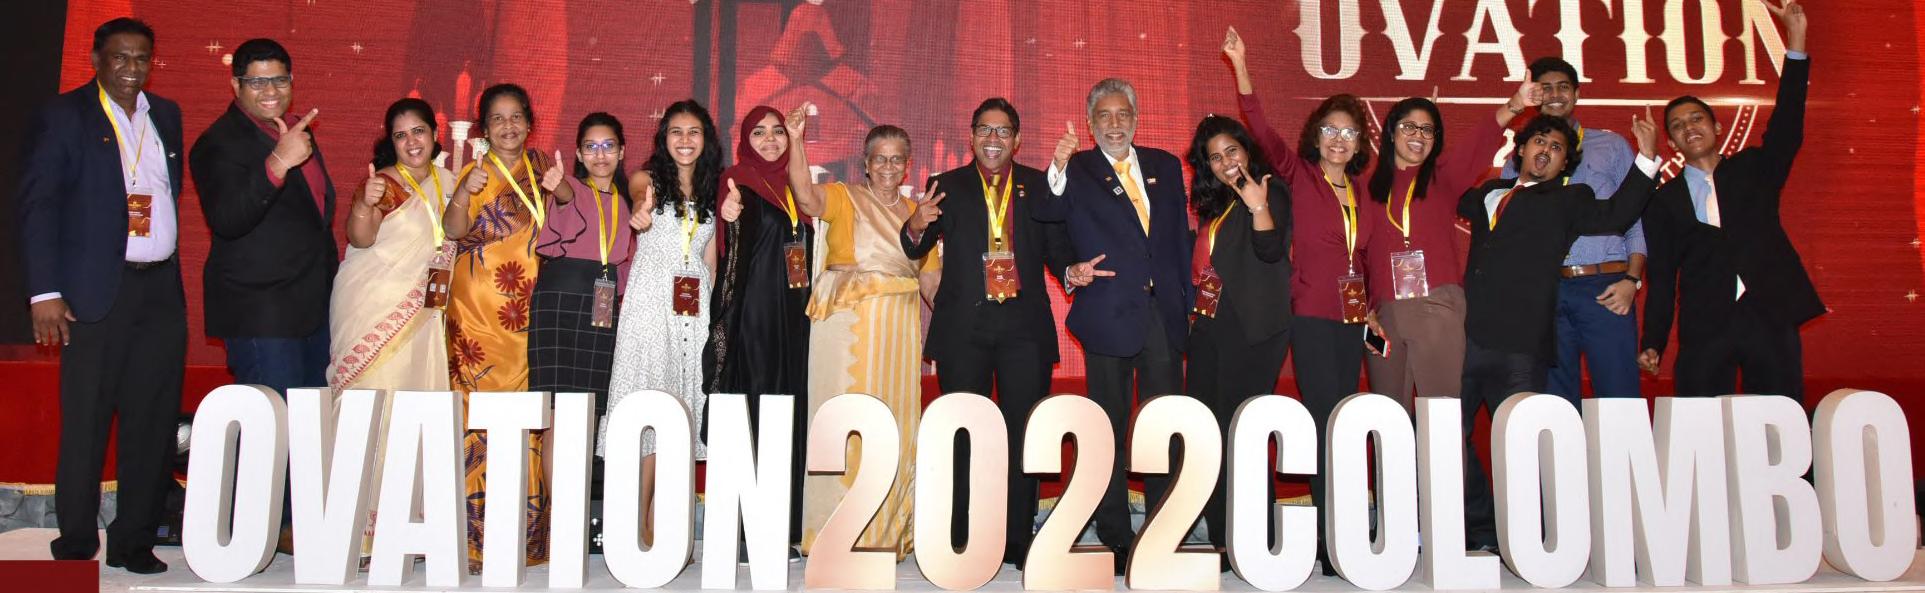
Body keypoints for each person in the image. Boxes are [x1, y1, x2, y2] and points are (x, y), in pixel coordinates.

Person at [21, 17, 184, 574]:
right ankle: (74, 545)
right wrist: (44, 292)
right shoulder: (65, 115)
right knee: (87, 421)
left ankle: (134, 541)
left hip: (160, 290)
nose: (131, 68)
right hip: (93, 292)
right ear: (96, 60)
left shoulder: (166, 115)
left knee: (153, 422)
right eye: (120, 57)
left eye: (141, 58)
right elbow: (39, 204)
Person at [1457, 112, 1662, 554]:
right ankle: (1481, 529)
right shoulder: (1487, 193)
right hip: (1466, 338)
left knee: (1522, 444)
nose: (1545, 151)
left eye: (1556, 148)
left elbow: (1619, 213)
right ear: (1521, 149)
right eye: (1539, 141)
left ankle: (1530, 538)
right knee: (1447, 435)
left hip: (1522, 345)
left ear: (1565, 163)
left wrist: (1646, 159)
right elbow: (1441, 189)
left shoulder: (1570, 200)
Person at [1224, 27, 1374, 575]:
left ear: (1359, 142)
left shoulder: (1365, 190)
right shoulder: (1300, 174)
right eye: (1331, 129)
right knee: (1324, 418)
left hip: (1354, 320)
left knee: (1347, 421)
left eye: (1349, 132)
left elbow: (1368, 254)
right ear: (1317, 135)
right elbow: (1260, 128)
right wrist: (1242, 66)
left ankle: (1349, 530)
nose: (1339, 139)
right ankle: (1329, 535)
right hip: (1311, 317)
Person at [901, 97, 1075, 569]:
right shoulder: (946, 185)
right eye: (984, 129)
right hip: (964, 329)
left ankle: (1017, 538)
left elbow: (1057, 249)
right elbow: (916, 244)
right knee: (964, 432)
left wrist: (1071, 270)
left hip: (1024, 330)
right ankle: (960, 534)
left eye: (1002, 131)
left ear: (1017, 140)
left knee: (1023, 434)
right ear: (971, 136)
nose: (992, 139)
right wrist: (914, 224)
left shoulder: (1039, 185)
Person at [1038, 78, 1194, 573]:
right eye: (1103, 116)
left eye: (1122, 114)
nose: (1114, 124)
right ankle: (1114, 532)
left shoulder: (1165, 166)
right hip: (1107, 312)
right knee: (1108, 426)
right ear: (1090, 124)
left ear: (1136, 118)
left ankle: (1164, 528)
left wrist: (1187, 302)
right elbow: (1048, 217)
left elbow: (1178, 240)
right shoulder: (1076, 168)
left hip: (1162, 315)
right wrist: (1070, 269)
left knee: (1162, 426)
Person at [1640, 0, 1816, 400]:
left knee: (1779, 422)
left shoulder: (1754, 169)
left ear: (1717, 127)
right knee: (1701, 425)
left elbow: (1788, 123)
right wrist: (1653, 342)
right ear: (1672, 143)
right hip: (1705, 327)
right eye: (1677, 126)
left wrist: (1796, 40)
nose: (1689, 127)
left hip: (1769, 315)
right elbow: (1662, 279)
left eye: (1696, 118)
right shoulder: (1663, 202)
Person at [788, 108, 940, 560]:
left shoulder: (919, 214)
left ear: (907, 165)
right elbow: (806, 197)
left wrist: (956, 331)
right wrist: (796, 140)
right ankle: (834, 531)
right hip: (847, 328)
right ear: (866, 164)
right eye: (880, 159)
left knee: (892, 422)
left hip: (897, 331)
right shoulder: (844, 197)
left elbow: (931, 281)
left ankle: (883, 532)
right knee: (844, 418)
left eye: (897, 159)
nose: (888, 167)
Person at [441, 83, 572, 570]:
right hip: (476, 315)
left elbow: (574, 218)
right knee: (476, 420)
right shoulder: (474, 171)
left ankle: (524, 540)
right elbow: (453, 230)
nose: (508, 126)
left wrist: (562, 188)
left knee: (527, 420)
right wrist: (463, 192)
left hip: (531, 314)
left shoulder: (543, 168)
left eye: (516, 116)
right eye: (497, 119)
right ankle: (474, 542)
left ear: (530, 122)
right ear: (484, 128)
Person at [600, 99, 737, 548]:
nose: (685, 140)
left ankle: (666, 528)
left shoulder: (715, 189)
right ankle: (635, 523)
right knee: (650, 413)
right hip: (651, 308)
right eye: (676, 132)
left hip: (694, 312)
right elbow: (640, 197)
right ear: (664, 139)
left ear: (706, 139)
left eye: (693, 132)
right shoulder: (648, 179)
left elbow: (711, 261)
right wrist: (642, 210)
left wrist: (715, 321)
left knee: (681, 416)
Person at [329, 98, 456, 558]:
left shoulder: (448, 182)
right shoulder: (383, 184)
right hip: (374, 308)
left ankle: (409, 531)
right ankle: (355, 533)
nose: (411, 142)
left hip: (425, 316)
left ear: (434, 134)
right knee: (371, 411)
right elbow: (360, 237)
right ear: (391, 142)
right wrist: (364, 204)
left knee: (414, 412)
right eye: (401, 135)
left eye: (418, 131)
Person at [1361, 81, 1541, 406]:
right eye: (1409, 126)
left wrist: (1515, 103)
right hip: (1382, 315)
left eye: (1427, 129)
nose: (1418, 135)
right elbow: (1352, 254)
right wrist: (1364, 311)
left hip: (1436, 305)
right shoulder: (1366, 187)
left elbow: (1479, 140)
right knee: (1386, 415)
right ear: (1391, 132)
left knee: (1440, 414)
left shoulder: (1443, 176)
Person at [191, 37, 336, 398]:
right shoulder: (217, 143)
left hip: (313, 309)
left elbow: (314, 217)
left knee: (311, 425)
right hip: (262, 313)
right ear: (236, 85)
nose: (270, 91)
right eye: (257, 82)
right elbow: (227, 219)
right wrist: (278, 162)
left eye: (279, 80)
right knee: (272, 424)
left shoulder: (297, 130)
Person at [1180, 115, 1291, 558]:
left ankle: (1257, 536)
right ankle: (1223, 536)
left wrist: (1258, 207)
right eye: (1215, 157)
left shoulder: (1268, 190)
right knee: (1210, 432)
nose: (1226, 162)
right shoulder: (1217, 205)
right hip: (1210, 328)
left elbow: (1270, 249)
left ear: (1247, 150)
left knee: (1242, 431)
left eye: (1232, 151)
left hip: (1252, 330)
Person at [706, 104, 812, 556]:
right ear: (744, 141)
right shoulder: (738, 180)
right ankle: (751, 529)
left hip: (797, 318)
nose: (770, 140)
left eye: (777, 132)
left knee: (790, 413)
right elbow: (727, 248)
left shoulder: (798, 187)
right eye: (759, 133)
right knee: (759, 409)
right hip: (756, 316)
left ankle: (785, 526)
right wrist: (728, 215)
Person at [1514, 56, 1647, 404]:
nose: (1555, 95)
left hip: (1605, 287)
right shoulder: (1521, 155)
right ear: (1534, 95)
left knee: (1618, 397)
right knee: (1555, 401)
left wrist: (1632, 280)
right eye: (1545, 88)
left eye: (1563, 87)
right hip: (1547, 290)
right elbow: (1511, 230)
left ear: (1576, 93)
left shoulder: (1611, 146)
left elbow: (1633, 216)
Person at [531, 113, 633, 414]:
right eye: (591, 147)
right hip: (561, 299)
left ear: (622, 152)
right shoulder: (573, 186)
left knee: (591, 403)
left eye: (608, 146)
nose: (600, 155)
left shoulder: (626, 201)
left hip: (602, 298)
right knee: (555, 404)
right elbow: (566, 198)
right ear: (578, 154)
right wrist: (559, 185)